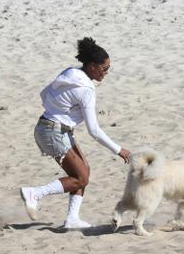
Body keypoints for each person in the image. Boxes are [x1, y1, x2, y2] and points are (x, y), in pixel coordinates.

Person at [20, 37, 131, 229]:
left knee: (83, 171)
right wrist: (118, 150)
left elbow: (44, 94)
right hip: (53, 132)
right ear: (92, 66)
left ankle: (72, 219)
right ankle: (35, 193)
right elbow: (93, 130)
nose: (106, 73)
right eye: (104, 69)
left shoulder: (71, 73)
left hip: (50, 127)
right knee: (80, 177)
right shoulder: (85, 90)